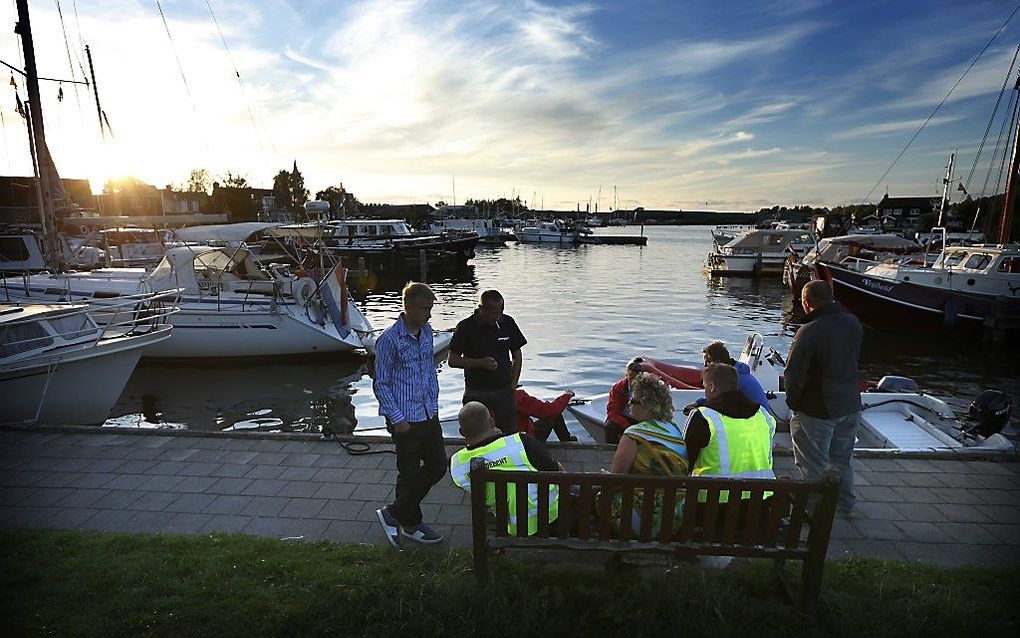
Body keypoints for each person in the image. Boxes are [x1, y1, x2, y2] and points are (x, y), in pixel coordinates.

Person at [373, 282, 446, 547]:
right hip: (404, 418)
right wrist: (397, 418)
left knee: (439, 465)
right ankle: (411, 525)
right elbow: (380, 382)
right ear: (409, 307)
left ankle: (393, 513)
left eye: (430, 308)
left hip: (429, 413)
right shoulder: (389, 339)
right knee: (409, 472)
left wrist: (435, 406)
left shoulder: (426, 331)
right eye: (425, 309)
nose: (429, 314)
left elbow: (428, 370)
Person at [785, 279, 863, 516]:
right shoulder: (853, 323)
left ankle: (814, 512)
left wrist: (795, 404)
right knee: (842, 460)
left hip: (818, 408)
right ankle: (845, 504)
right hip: (850, 403)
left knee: (813, 462)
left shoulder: (809, 332)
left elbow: (793, 373)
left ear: (807, 303)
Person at [449, 401, 563, 535]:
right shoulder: (521, 442)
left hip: (508, 524)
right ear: (492, 421)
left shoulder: (457, 464)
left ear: (462, 432)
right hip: (551, 518)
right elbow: (558, 471)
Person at [609, 372, 690, 536]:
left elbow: (615, 479)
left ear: (646, 405)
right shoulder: (674, 430)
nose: (629, 404)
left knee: (603, 495)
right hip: (674, 518)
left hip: (641, 520)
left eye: (633, 401)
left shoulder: (633, 434)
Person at [684, 363, 776, 503]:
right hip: (759, 506)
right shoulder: (763, 416)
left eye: (705, 386)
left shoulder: (703, 417)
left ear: (712, 387)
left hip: (712, 508)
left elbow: (683, 463)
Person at [449, 289, 527, 435]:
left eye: (499, 312)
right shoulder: (466, 327)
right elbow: (452, 360)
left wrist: (513, 384)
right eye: (492, 313)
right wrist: (480, 363)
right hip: (477, 392)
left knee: (509, 434)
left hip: (503, 391)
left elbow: (517, 355)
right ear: (481, 309)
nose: (496, 317)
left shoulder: (507, 322)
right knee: (477, 434)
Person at [683, 341, 770, 415]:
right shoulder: (734, 374)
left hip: (755, 419)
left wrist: (698, 408)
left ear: (717, 362)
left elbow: (719, 401)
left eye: (708, 362)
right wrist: (698, 403)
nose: (705, 366)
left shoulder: (733, 379)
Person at [605, 357, 645, 444]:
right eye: (631, 378)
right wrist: (628, 427)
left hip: (642, 420)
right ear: (626, 376)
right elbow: (612, 412)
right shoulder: (618, 388)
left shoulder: (649, 389)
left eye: (637, 378)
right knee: (610, 426)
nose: (634, 381)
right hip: (624, 419)